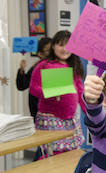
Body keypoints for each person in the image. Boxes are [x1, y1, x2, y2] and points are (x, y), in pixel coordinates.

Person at [29, 30, 86, 159]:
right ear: (53, 45)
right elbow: (33, 88)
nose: (65, 49)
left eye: (68, 45)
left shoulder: (74, 66)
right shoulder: (44, 65)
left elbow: (80, 90)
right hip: (50, 118)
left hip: (70, 119)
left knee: (71, 155)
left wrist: (88, 111)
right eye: (61, 45)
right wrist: (49, 92)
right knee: (52, 155)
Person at [16, 37, 51, 119]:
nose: (52, 53)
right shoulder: (36, 68)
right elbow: (22, 85)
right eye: (49, 50)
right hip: (39, 113)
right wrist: (22, 70)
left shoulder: (59, 66)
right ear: (40, 54)